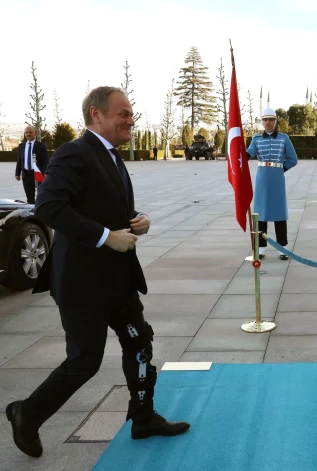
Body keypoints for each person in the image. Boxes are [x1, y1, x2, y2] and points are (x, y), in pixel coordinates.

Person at [5, 87, 189, 459]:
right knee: (84, 362)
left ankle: (142, 417)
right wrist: (107, 237)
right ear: (96, 114)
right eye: (123, 113)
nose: (130, 120)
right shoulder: (73, 153)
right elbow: (49, 207)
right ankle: (26, 413)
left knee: (139, 344)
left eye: (131, 113)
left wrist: (139, 221)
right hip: (82, 283)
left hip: (118, 280)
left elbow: (107, 205)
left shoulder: (112, 157)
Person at [246, 107, 298, 260]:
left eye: (271, 120)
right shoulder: (256, 139)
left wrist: (279, 170)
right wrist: (241, 155)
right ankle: (261, 248)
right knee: (261, 212)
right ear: (262, 121)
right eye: (265, 120)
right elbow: (249, 152)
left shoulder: (284, 138)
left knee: (279, 213)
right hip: (262, 177)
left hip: (277, 178)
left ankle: (283, 248)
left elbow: (293, 159)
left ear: (275, 121)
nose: (268, 122)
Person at [14, 126, 48, 204]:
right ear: (25, 134)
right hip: (26, 174)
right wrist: (17, 173)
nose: (28, 134)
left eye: (30, 132)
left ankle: (40, 212)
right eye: (27, 132)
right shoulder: (21, 146)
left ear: (35, 133)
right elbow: (19, 160)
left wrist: (46, 172)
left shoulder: (41, 146)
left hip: (38, 174)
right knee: (29, 197)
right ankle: (31, 214)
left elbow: (45, 161)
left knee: (41, 195)